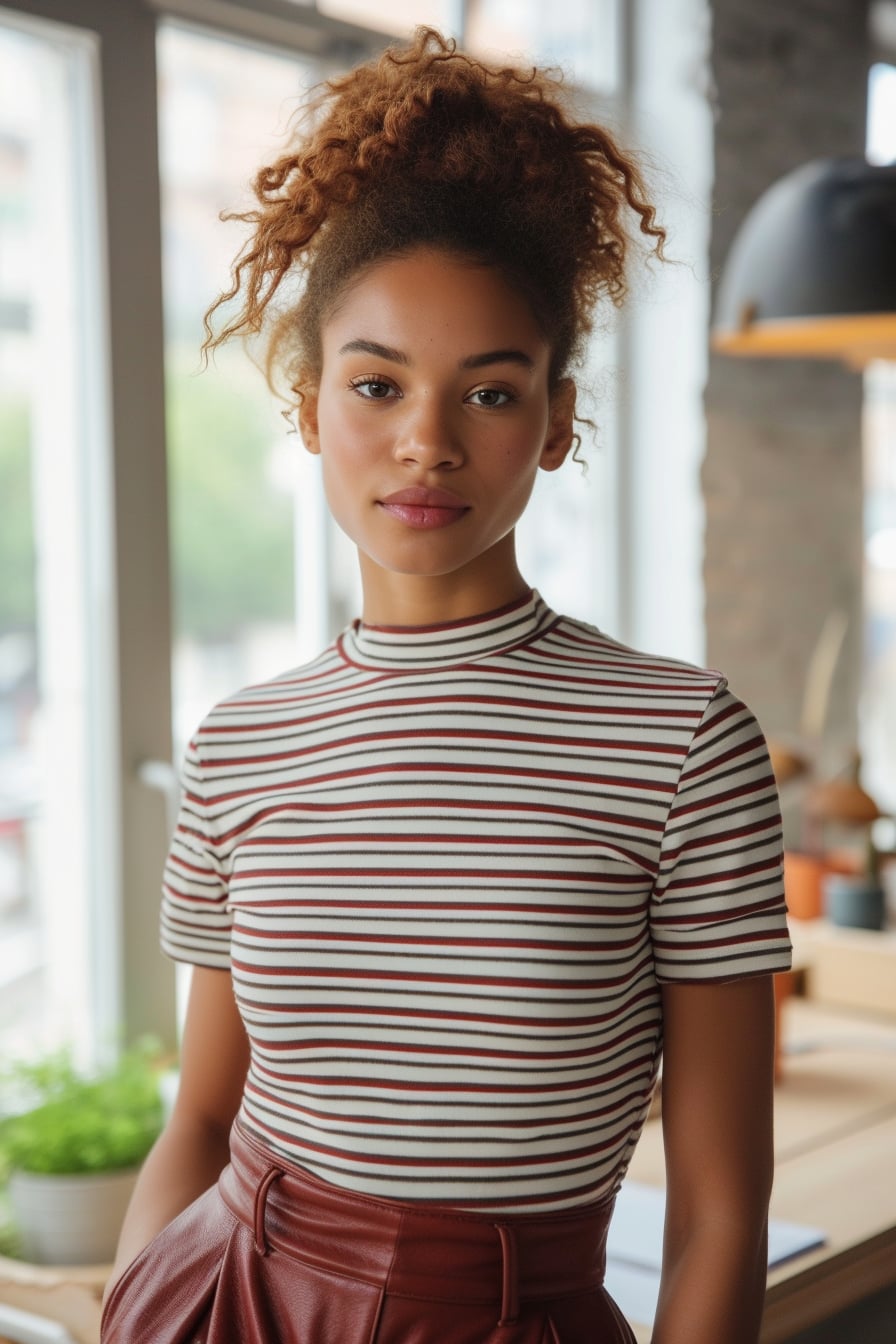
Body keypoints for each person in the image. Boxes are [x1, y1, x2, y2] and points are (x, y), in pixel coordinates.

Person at [101, 26, 792, 1344]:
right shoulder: (239, 748)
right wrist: (131, 1305)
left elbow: (717, 1210)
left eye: (488, 390)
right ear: (310, 407)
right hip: (225, 1301)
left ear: (557, 421)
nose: (425, 439)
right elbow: (198, 1118)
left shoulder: (683, 744)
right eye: (377, 384)